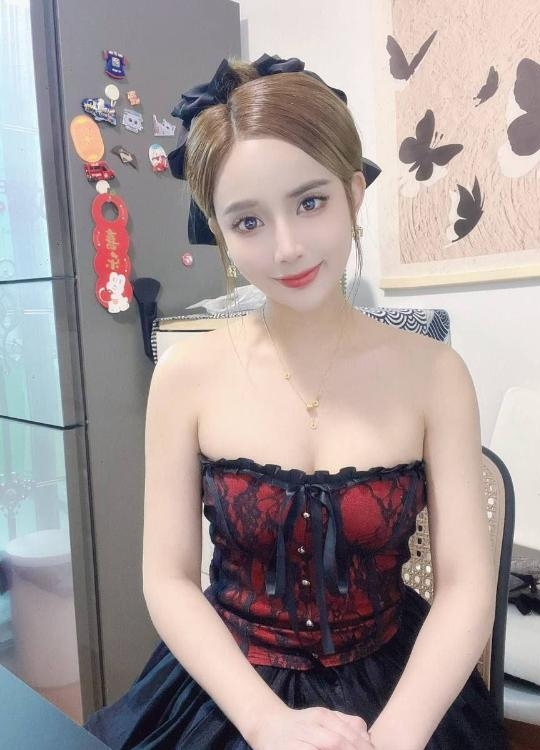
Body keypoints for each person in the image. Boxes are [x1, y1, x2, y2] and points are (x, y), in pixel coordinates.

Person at [83, 53, 509, 750]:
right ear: (220, 232)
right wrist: (265, 722)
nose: (286, 248)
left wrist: (395, 738)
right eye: (248, 222)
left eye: (310, 203)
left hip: (397, 692)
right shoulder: (186, 376)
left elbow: (465, 585)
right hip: (231, 692)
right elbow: (167, 579)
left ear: (353, 193)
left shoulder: (436, 375)